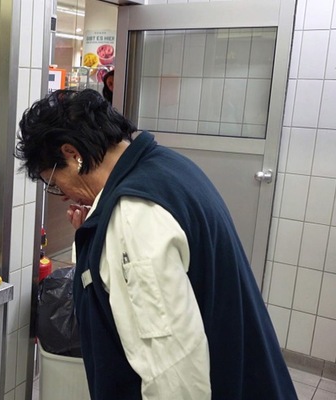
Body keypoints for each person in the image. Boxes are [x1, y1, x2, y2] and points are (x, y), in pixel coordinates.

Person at [15, 89, 295, 399]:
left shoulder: (133, 215)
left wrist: (113, 232)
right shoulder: (166, 166)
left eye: (55, 183)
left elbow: (173, 371)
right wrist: (96, 236)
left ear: (72, 154)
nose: (64, 194)